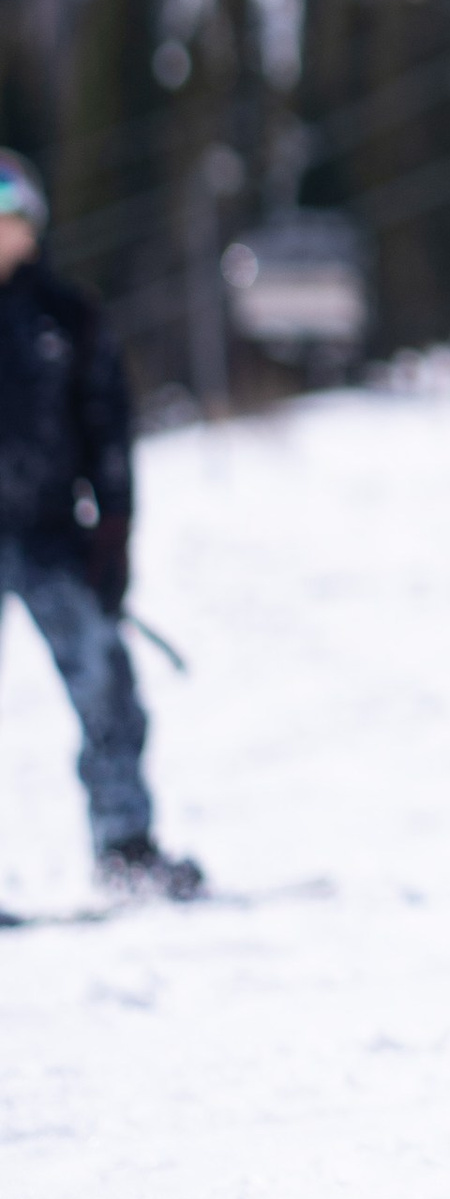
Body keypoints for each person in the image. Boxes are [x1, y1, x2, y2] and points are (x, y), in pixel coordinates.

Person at [0, 149, 202, 902]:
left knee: (106, 685)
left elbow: (108, 428)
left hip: (54, 534)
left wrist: (114, 527)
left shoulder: (70, 315)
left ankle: (125, 845)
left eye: (9, 212)